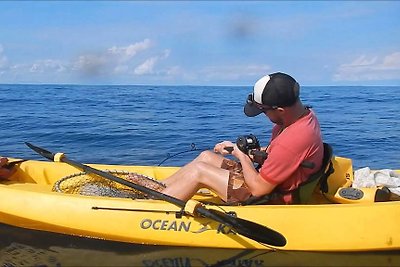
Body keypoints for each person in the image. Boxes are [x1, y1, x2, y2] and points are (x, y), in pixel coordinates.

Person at [159, 72, 324, 204]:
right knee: (206, 157)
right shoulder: (303, 116)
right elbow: (279, 156)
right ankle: (159, 190)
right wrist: (234, 148)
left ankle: (153, 207)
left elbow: (258, 189)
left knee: (199, 171)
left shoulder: (294, 138)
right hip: (268, 182)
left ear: (280, 110)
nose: (263, 115)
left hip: (271, 197)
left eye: (264, 111)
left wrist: (242, 155)